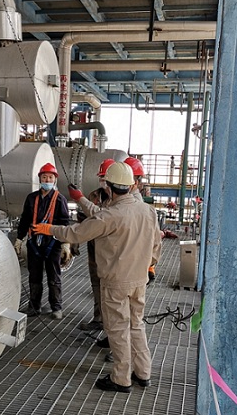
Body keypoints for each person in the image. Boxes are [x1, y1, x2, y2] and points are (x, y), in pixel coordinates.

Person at [33, 162, 161, 392]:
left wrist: (49, 229)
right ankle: (143, 373)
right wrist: (149, 265)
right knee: (136, 325)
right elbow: (156, 244)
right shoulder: (147, 211)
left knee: (117, 329)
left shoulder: (110, 215)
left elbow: (76, 233)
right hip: (139, 279)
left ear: (109, 187)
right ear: (131, 185)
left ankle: (121, 379)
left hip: (116, 282)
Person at [14, 162, 70, 320]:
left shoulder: (60, 200)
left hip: (53, 243)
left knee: (54, 277)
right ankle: (34, 306)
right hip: (34, 244)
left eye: (50, 177)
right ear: (40, 179)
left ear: (55, 180)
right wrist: (19, 238)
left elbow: (65, 223)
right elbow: (25, 219)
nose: (47, 180)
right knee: (34, 276)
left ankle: (56, 307)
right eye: (44, 177)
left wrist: (65, 244)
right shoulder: (32, 198)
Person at [74, 157, 114, 332]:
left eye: (106, 177)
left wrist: (81, 199)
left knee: (110, 288)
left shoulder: (119, 200)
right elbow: (85, 219)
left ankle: (111, 326)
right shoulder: (94, 196)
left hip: (110, 250)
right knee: (96, 283)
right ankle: (98, 318)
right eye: (101, 177)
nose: (103, 181)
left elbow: (103, 217)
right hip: (93, 247)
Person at [125, 155, 160, 282]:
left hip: (128, 267)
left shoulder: (129, 205)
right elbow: (156, 241)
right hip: (138, 266)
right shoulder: (146, 209)